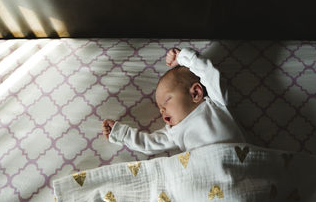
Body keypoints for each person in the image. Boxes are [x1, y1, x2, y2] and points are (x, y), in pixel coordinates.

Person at [102, 47, 245, 155]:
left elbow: (209, 73)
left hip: (237, 160)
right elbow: (149, 143)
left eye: (166, 100)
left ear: (196, 93)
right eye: (160, 107)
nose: (161, 110)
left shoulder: (216, 103)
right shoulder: (174, 131)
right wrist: (122, 134)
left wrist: (183, 58)